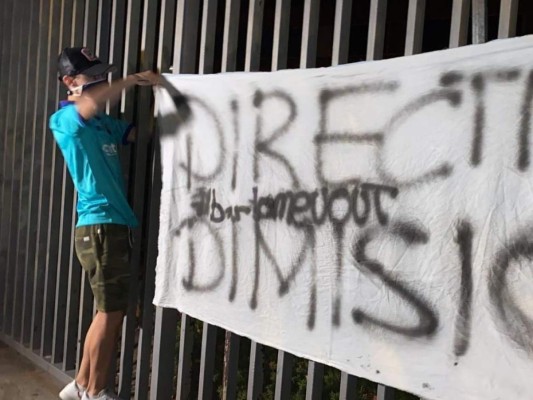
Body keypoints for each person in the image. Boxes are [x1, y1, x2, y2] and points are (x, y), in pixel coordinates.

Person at [50, 47, 159, 400]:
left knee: (105, 312)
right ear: (70, 82)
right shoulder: (65, 119)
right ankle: (96, 391)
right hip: (99, 225)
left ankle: (79, 385)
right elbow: (90, 105)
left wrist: (165, 91)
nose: (101, 81)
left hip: (112, 225)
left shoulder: (101, 123)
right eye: (92, 76)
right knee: (111, 314)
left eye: (102, 75)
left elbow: (138, 134)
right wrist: (130, 81)